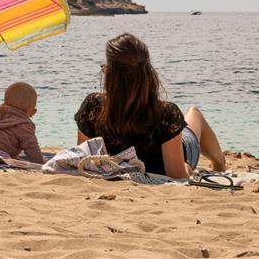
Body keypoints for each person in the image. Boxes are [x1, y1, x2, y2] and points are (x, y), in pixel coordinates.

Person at [74, 33, 226, 178]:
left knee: (192, 116)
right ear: (148, 73)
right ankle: (220, 164)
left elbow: (84, 161)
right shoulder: (167, 113)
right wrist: (186, 168)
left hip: (133, 163)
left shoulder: (92, 106)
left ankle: (219, 163)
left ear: (110, 74)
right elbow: (177, 175)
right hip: (176, 154)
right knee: (194, 114)